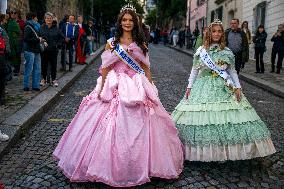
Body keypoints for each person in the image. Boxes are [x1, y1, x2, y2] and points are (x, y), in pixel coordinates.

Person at [53, 4, 184, 187]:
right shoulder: (111, 43)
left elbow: (146, 68)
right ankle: (104, 166)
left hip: (136, 87)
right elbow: (106, 67)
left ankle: (143, 165)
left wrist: (151, 86)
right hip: (116, 85)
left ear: (135, 22)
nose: (127, 23)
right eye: (124, 20)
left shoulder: (141, 44)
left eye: (130, 20)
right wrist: (101, 89)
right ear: (120, 22)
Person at [172, 19, 276, 162]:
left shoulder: (227, 52)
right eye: (214, 31)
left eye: (219, 31)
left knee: (227, 119)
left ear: (223, 34)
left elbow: (232, 72)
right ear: (209, 32)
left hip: (224, 86)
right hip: (203, 87)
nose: (216, 34)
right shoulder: (201, 51)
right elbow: (194, 71)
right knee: (205, 119)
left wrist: (238, 87)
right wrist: (189, 87)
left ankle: (225, 150)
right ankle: (203, 151)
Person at [39, 12, 64, 87]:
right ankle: (43, 79)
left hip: (53, 50)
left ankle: (53, 79)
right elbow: (39, 36)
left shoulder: (56, 28)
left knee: (53, 65)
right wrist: (41, 40)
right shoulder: (41, 28)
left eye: (50, 18)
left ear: (52, 19)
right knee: (43, 65)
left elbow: (62, 37)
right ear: (45, 19)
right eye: (47, 18)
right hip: (44, 50)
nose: (48, 20)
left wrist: (57, 45)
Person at [23, 12, 43, 91]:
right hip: (30, 50)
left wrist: (40, 39)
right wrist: (38, 39)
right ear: (32, 18)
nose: (37, 19)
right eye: (36, 18)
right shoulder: (28, 27)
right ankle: (26, 85)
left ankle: (35, 85)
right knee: (29, 68)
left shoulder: (34, 26)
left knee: (37, 69)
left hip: (36, 50)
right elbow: (26, 39)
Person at [5, 10, 21, 76]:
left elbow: (19, 32)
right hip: (8, 42)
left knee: (16, 56)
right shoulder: (7, 23)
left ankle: (16, 70)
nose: (13, 14)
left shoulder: (14, 23)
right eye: (12, 13)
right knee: (9, 57)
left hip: (15, 43)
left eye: (14, 13)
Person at [0, 13, 11, 105]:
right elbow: (6, 42)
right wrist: (8, 52)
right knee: (2, 76)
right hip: (1, 56)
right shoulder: (1, 30)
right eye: (5, 19)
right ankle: (2, 98)